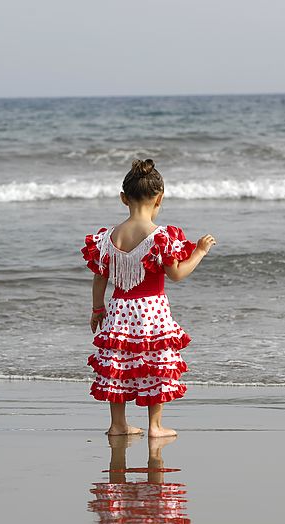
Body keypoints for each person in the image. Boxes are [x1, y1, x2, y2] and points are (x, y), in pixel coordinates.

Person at [81, 158, 216, 438]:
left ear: (123, 198)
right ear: (160, 198)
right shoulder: (162, 237)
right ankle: (155, 426)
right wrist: (199, 252)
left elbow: (100, 277)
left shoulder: (108, 238)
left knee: (118, 362)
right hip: (151, 309)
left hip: (118, 309)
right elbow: (177, 274)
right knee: (154, 361)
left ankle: (118, 425)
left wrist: (97, 308)